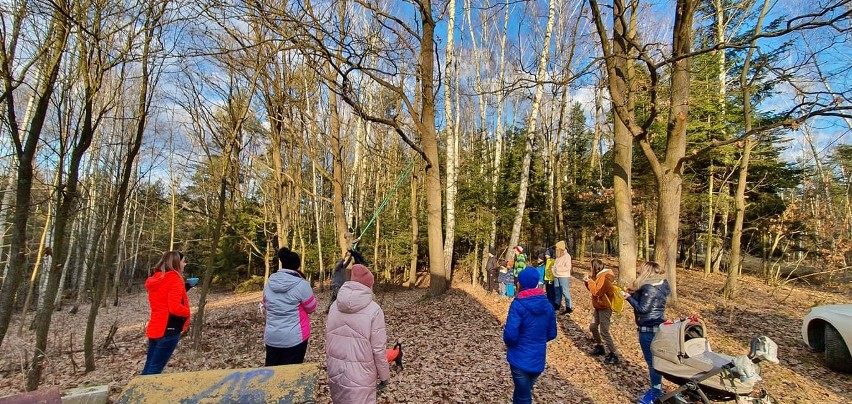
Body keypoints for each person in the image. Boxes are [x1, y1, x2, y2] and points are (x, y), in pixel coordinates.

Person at [326, 264, 390, 404]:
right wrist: (384, 376)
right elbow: (378, 350)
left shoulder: (334, 306)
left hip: (335, 371)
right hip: (361, 374)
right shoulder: (374, 310)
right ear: (369, 285)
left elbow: (328, 340)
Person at [504, 267, 557, 404]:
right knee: (522, 392)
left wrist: (515, 344)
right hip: (538, 358)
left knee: (524, 397)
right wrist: (537, 340)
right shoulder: (548, 305)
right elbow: (552, 333)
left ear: (520, 283)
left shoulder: (518, 304)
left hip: (519, 358)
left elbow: (510, 335)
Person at [623, 261, 670, 404]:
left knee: (652, 363)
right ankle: (656, 389)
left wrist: (628, 297)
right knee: (656, 362)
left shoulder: (649, 288)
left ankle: (656, 394)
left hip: (648, 328)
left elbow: (643, 308)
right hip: (659, 325)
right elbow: (651, 302)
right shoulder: (662, 285)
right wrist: (635, 293)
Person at [262, 247, 318, 366]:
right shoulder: (302, 284)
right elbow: (312, 307)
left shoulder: (270, 282)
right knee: (291, 375)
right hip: (295, 338)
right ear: (297, 266)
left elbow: (266, 304)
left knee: (272, 374)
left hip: (272, 337)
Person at [142, 251, 191, 375]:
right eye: (183, 261)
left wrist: (186, 287)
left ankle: (139, 390)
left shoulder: (157, 278)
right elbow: (174, 308)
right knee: (155, 369)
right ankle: (146, 393)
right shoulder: (175, 279)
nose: (185, 264)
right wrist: (188, 312)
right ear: (176, 263)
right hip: (169, 330)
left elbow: (164, 295)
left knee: (149, 365)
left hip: (156, 328)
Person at [583, 259, 620, 365]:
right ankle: (600, 346)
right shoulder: (599, 276)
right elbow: (592, 289)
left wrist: (589, 281)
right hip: (598, 306)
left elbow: (597, 292)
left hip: (605, 307)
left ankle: (614, 353)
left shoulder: (605, 277)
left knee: (604, 331)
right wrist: (587, 282)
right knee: (593, 327)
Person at [552, 240, 573, 314]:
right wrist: (553, 270)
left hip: (564, 276)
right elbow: (554, 266)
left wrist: (557, 269)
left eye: (557, 248)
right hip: (556, 276)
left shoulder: (567, 256)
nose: (556, 249)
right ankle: (557, 305)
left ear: (560, 248)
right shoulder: (558, 256)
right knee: (557, 291)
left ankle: (569, 307)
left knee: (565, 291)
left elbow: (568, 267)